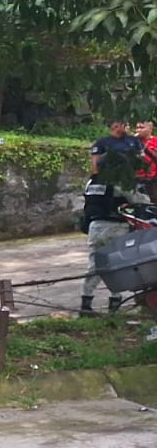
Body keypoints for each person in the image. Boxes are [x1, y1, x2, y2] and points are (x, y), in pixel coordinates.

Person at [81, 165, 133, 317]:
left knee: (94, 264)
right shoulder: (120, 182)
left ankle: (86, 304)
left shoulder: (92, 182)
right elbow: (138, 199)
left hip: (94, 227)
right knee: (117, 265)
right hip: (116, 227)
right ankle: (114, 305)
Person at [136, 121, 157, 200]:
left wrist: (146, 149)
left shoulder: (155, 141)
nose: (138, 130)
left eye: (142, 127)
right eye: (137, 128)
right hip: (135, 179)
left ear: (150, 129)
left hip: (151, 180)